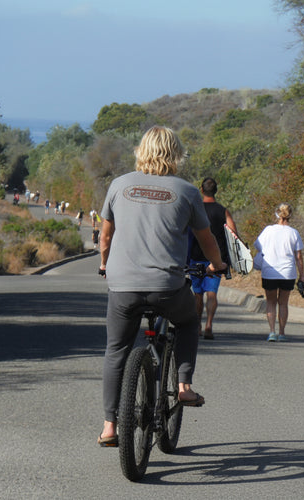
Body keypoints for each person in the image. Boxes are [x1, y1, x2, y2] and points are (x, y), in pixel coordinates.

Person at [98, 126, 227, 447]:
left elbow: (105, 237)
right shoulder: (186, 191)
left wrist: (104, 264)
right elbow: (206, 238)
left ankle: (110, 426)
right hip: (167, 286)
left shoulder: (119, 185)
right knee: (188, 321)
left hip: (123, 286)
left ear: (141, 150)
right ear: (176, 154)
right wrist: (218, 264)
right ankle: (183, 387)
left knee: (116, 350)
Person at [188, 177, 237, 340]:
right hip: (216, 259)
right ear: (216, 191)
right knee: (212, 293)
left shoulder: (195, 210)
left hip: (196, 256)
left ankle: (198, 326)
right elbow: (233, 233)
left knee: (197, 294)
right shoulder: (223, 211)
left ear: (201, 190)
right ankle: (209, 324)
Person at [254, 202, 304, 342]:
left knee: (271, 302)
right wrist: (302, 276)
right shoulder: (294, 233)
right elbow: (299, 257)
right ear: (290, 215)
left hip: (269, 271)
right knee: (283, 303)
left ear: (277, 214)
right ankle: (282, 333)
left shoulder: (268, 230)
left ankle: (272, 332)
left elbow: (258, 246)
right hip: (288, 272)